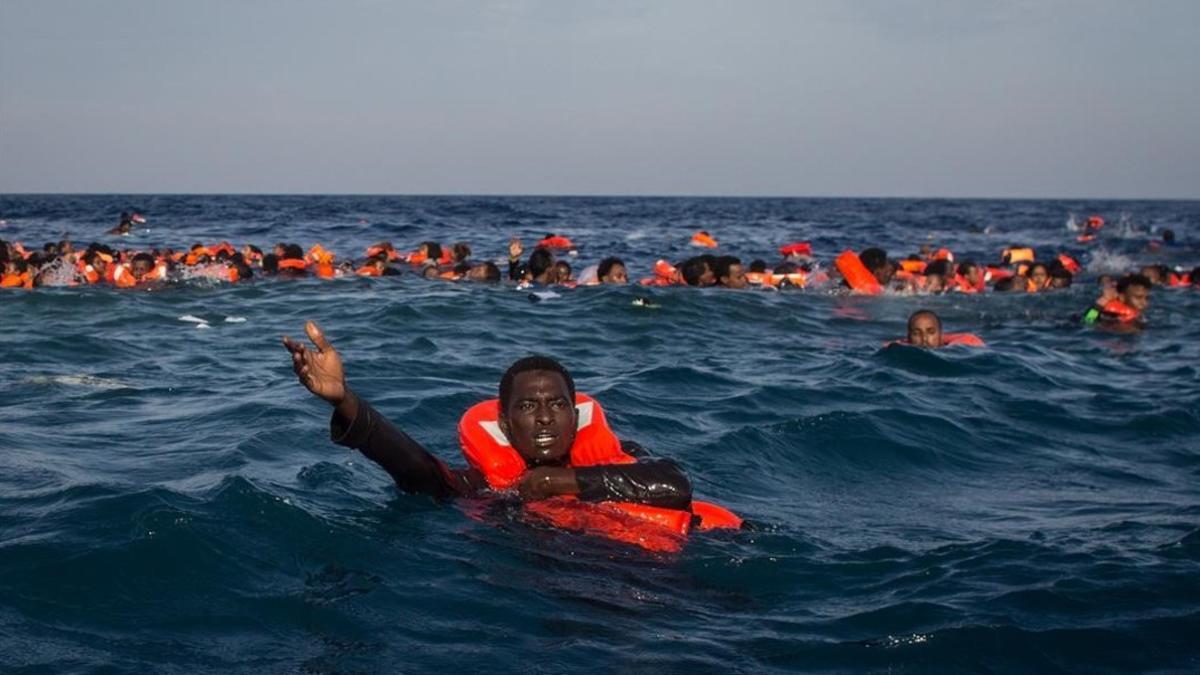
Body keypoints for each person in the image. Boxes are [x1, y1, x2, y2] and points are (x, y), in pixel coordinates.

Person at [282, 322, 737, 547]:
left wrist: (564, 483)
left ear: (575, 416)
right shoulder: (485, 488)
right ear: (504, 423)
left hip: (678, 574)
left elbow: (676, 486)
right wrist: (344, 401)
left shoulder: (617, 459)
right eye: (527, 406)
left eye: (557, 405)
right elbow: (415, 467)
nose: (544, 418)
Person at [891, 310, 985, 348]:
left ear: (940, 335)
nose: (924, 339)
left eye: (931, 332)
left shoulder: (956, 350)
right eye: (917, 333)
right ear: (909, 337)